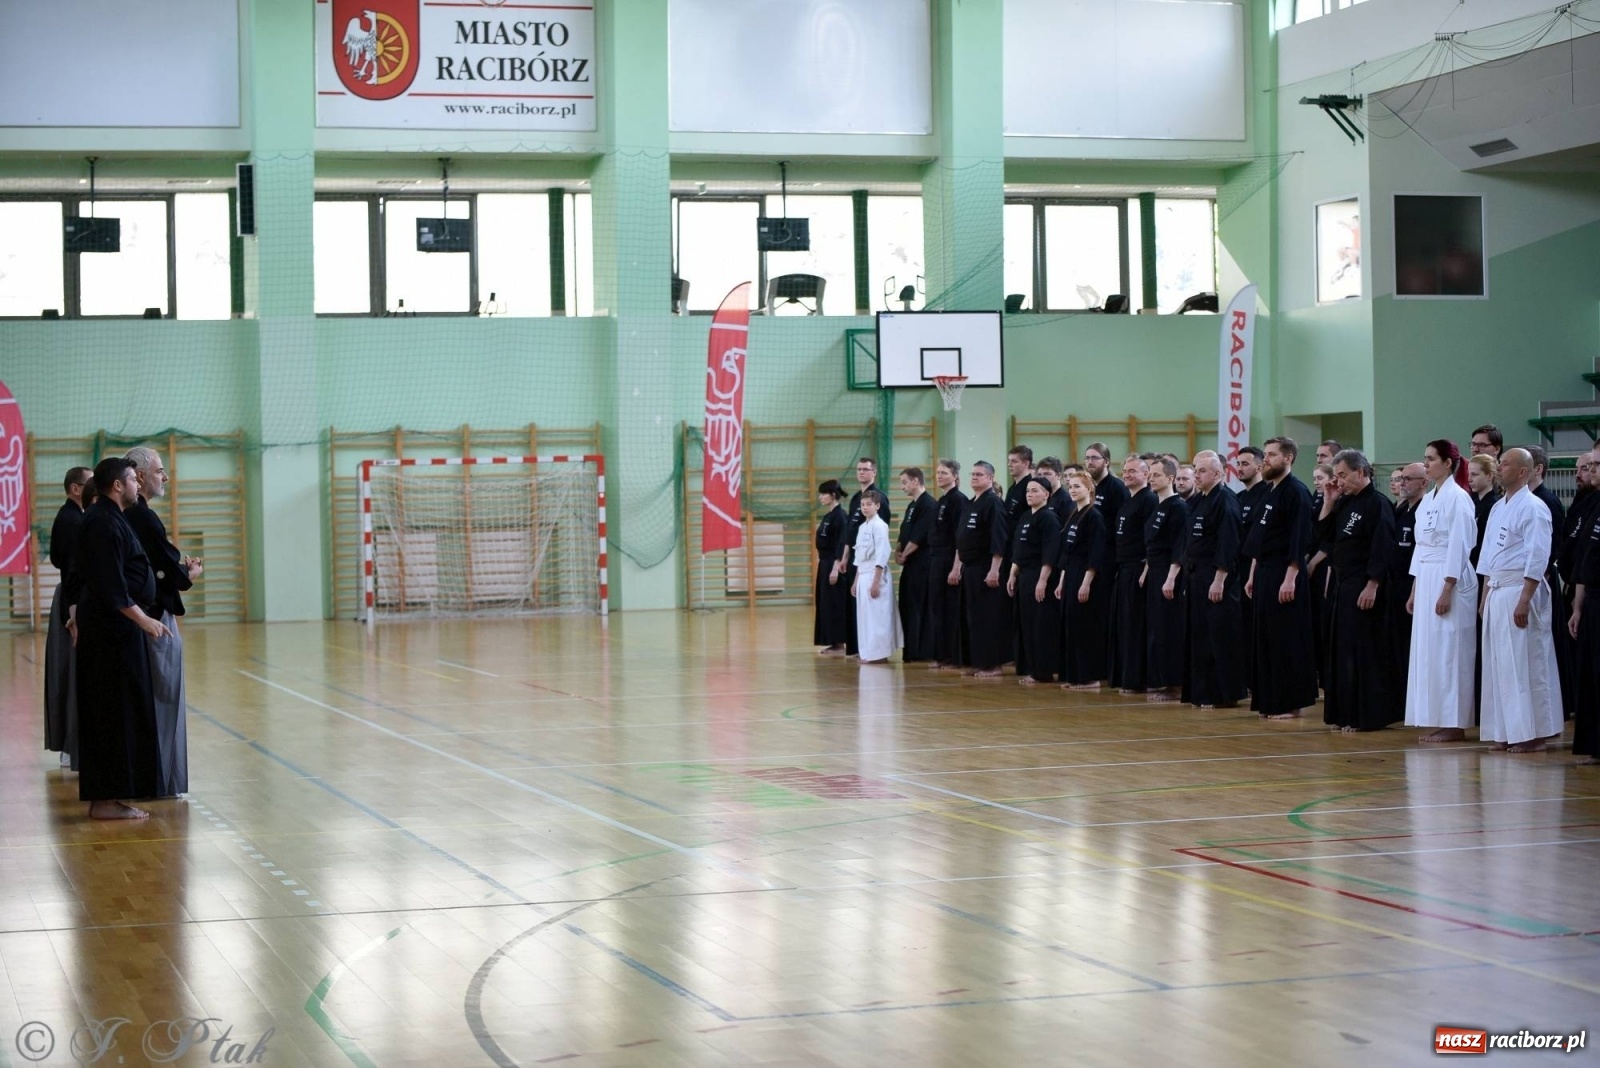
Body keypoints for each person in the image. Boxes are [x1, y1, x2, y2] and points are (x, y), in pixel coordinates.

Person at [73, 457, 171, 820]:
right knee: (111, 714)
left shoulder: (111, 518)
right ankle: (105, 801)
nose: (137, 484)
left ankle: (114, 796)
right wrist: (143, 618)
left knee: (123, 712)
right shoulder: (101, 522)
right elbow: (109, 584)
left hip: (116, 632)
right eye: (133, 479)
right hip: (109, 635)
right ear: (118, 485)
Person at [124, 446, 199, 798]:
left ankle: (157, 778)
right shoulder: (140, 516)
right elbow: (164, 567)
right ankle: (161, 779)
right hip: (152, 618)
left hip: (141, 616)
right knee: (164, 697)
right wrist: (188, 574)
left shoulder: (125, 515)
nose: (164, 476)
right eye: (158, 470)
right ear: (137, 476)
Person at [1477, 449, 1561, 752]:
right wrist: (1485, 596)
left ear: (1524, 472)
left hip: (1520, 590)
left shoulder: (1535, 507)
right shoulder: (1499, 507)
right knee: (1499, 665)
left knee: (1527, 663)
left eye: (1505, 464)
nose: (1499, 467)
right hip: (1498, 590)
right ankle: (1506, 729)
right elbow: (1486, 556)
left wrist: (1525, 599)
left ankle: (1534, 733)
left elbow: (1537, 556)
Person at [1405, 441, 1478, 743]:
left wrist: (1447, 587)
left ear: (1448, 463)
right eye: (1424, 459)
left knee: (1451, 651)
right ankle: (1436, 715)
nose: (1427, 465)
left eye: (1431, 459)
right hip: (1427, 576)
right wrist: (1415, 588)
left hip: (1452, 578)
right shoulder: (1428, 500)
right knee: (1430, 651)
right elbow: (1420, 547)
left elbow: (1461, 545)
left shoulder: (1458, 499)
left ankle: (1455, 721)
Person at [1319, 449, 1397, 733]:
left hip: (1365, 585)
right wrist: (1328, 502)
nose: (1338, 482)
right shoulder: (1344, 502)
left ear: (1361, 472)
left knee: (1364, 651)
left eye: (1343, 475)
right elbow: (1323, 539)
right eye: (1336, 476)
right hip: (1344, 584)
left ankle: (1368, 716)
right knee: (1342, 652)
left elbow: (1382, 546)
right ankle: (1345, 712)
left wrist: (1373, 584)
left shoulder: (1378, 504)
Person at [1243, 437, 1319, 720]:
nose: (1266, 460)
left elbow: (1300, 539)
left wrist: (1291, 578)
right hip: (1264, 572)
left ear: (1288, 458)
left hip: (1286, 573)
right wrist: (1253, 574)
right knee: (1266, 639)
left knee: (1286, 639)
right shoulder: (1269, 491)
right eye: (1266, 455)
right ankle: (1270, 700)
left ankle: (1291, 702)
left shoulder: (1296, 492)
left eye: (1272, 455)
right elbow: (1258, 539)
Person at [1184, 451, 1244, 709]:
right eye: (1196, 470)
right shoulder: (1200, 500)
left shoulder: (1226, 501)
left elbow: (1227, 544)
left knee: (1219, 636)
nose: (1197, 475)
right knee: (1200, 635)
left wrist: (1219, 579)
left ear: (1218, 474)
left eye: (1202, 471)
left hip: (1216, 576)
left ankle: (1223, 694)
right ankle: (1201, 691)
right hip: (1197, 575)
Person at [45, 466, 94, 769]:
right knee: (73, 674)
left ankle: (71, 744)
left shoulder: (74, 518)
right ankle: (71, 745)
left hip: (71, 600)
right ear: (76, 489)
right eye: (90, 484)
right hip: (72, 604)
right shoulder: (72, 519)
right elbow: (67, 563)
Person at [1526, 444, 1570, 727]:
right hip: (1523, 580)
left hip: (1541, 579)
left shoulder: (1546, 501)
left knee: (1546, 647)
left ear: (1537, 469)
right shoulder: (1518, 501)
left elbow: (1548, 549)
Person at [1056, 469, 1112, 690]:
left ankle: (1090, 677)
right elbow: (1067, 552)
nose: (1072, 490)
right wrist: (1062, 581)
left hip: (1084, 575)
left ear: (1089, 489)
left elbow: (1095, 553)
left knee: (1085, 626)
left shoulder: (1094, 516)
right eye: (1070, 486)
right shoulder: (1074, 514)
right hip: (1070, 573)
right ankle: (1075, 675)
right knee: (1072, 625)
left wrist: (1086, 582)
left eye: (1077, 486)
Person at [835, 457, 892, 658]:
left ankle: (876, 650)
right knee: (857, 605)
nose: (861, 473)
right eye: (858, 469)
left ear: (873, 472)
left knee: (873, 608)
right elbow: (850, 533)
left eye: (865, 469)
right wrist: (844, 557)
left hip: (872, 563)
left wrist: (877, 572)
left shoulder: (879, 499)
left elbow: (881, 538)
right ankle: (859, 647)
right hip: (857, 560)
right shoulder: (854, 500)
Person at [1142, 457, 1188, 702]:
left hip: (1169, 575)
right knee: (1157, 628)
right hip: (1156, 571)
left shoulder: (1178, 507)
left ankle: (1175, 684)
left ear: (1170, 478)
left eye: (1156, 474)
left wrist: (1170, 578)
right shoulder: (1157, 506)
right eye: (1150, 474)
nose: (1151, 478)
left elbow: (1177, 547)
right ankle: (1161, 679)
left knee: (1170, 628)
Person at [958, 461, 1010, 678]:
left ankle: (993, 665)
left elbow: (999, 539)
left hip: (985, 568)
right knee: (974, 617)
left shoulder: (993, 503)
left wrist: (994, 569)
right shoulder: (971, 503)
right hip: (969, 568)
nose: (974, 477)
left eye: (979, 474)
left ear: (990, 478)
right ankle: (978, 662)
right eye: (972, 474)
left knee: (988, 617)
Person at [1008, 479, 1061, 684]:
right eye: (1028, 491)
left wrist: (1042, 580)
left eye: (1035, 491)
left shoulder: (1048, 518)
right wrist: (1013, 573)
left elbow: (1050, 552)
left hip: (1039, 576)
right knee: (1026, 624)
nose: (1030, 494)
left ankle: (1043, 671)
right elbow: (1018, 550)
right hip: (1024, 575)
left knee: (1040, 625)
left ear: (1046, 494)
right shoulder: (1025, 517)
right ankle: (1029, 666)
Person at [1112, 455, 1156, 692]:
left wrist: (1146, 567)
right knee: (1125, 626)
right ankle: (1127, 677)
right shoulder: (1127, 501)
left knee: (1137, 626)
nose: (1127, 474)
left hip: (1139, 569)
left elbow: (1151, 539)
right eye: (1125, 471)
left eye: (1133, 471)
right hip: (1124, 568)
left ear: (1146, 475)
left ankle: (1139, 679)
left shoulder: (1148, 500)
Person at [1086, 441, 1130, 681]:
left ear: (1106, 461)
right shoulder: (1089, 487)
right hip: (1091, 559)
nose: (1090, 462)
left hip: (1109, 560)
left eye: (1095, 458)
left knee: (1105, 615)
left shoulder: (1116, 488)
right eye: (1087, 458)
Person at [1567, 451, 1600, 765]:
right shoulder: (1592, 505)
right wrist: (1577, 607)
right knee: (1590, 675)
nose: (1592, 471)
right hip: (1590, 599)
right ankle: (1594, 743)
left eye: (1597, 465)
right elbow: (1583, 561)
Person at [1389, 461, 1425, 718]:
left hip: (1412, 584)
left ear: (1424, 483)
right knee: (1397, 645)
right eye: (1401, 479)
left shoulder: (1425, 510)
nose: (1403, 483)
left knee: (1411, 644)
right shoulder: (1399, 510)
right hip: (1394, 583)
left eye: (1408, 479)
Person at [926, 460, 968, 671]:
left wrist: (956, 566)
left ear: (955, 476)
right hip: (936, 559)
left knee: (951, 609)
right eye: (938, 472)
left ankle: (953, 657)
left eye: (944, 473)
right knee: (938, 608)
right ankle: (941, 654)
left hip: (950, 559)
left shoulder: (958, 500)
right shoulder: (941, 500)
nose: (939, 476)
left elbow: (959, 537)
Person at [1002, 446, 1041, 671]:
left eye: (1014, 461)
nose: (1010, 464)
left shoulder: (1029, 486)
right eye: (1009, 460)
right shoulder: (1013, 488)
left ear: (1026, 463)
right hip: (1014, 553)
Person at [852, 490, 901, 664]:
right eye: (863, 505)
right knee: (866, 618)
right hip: (863, 574)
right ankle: (868, 652)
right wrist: (856, 580)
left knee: (877, 617)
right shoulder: (862, 527)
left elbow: (882, 554)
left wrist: (876, 581)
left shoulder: (880, 526)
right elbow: (859, 556)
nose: (865, 508)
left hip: (875, 574)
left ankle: (880, 654)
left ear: (877, 506)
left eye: (869, 504)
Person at [895, 467, 935, 662]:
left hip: (922, 564)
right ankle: (910, 649)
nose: (902, 487)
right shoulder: (912, 506)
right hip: (910, 565)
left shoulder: (928, 504)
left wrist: (905, 554)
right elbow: (904, 532)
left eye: (904, 482)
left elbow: (919, 536)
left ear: (916, 481)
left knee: (919, 606)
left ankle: (921, 650)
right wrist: (898, 550)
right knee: (907, 606)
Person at [813, 480, 849, 654]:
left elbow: (841, 544)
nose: (820, 497)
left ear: (833, 496)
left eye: (823, 494)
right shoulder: (829, 516)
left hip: (833, 564)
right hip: (824, 563)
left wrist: (836, 568)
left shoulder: (840, 516)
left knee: (835, 603)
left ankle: (839, 643)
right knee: (825, 603)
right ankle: (833, 642)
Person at [1036, 457, 1072, 525]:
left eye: (1047, 474)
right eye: (1039, 475)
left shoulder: (1067, 500)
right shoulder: (1039, 498)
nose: (1042, 478)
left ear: (1058, 475)